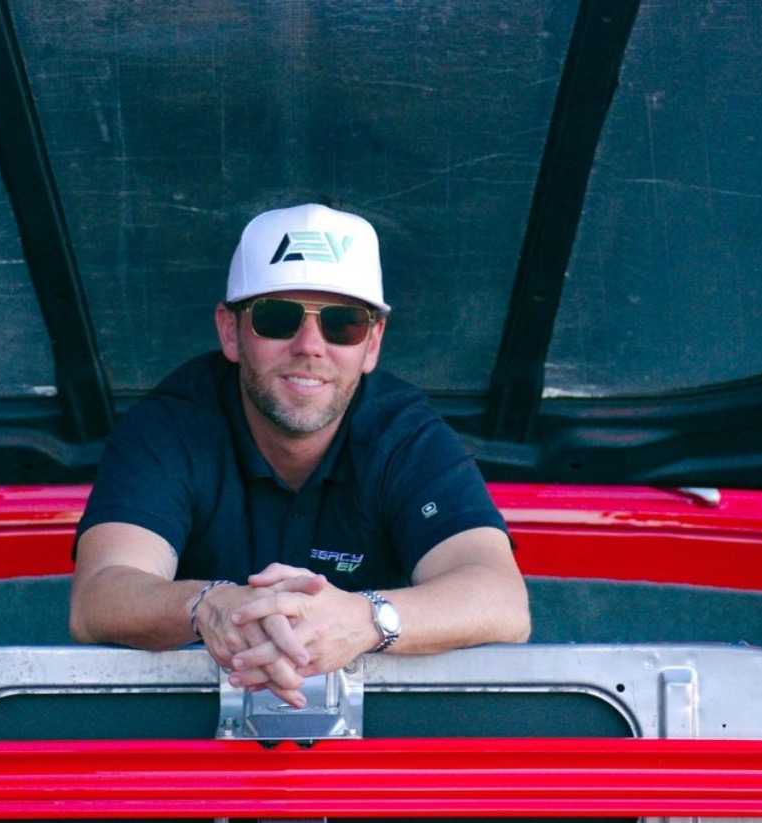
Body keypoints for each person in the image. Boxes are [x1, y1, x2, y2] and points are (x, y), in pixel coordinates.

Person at [70, 203, 530, 708]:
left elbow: (501, 599)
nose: (310, 346)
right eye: (278, 317)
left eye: (343, 323)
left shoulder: (404, 435)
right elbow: (99, 596)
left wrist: (364, 619)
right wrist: (211, 607)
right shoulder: (169, 427)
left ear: (372, 344)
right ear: (230, 331)